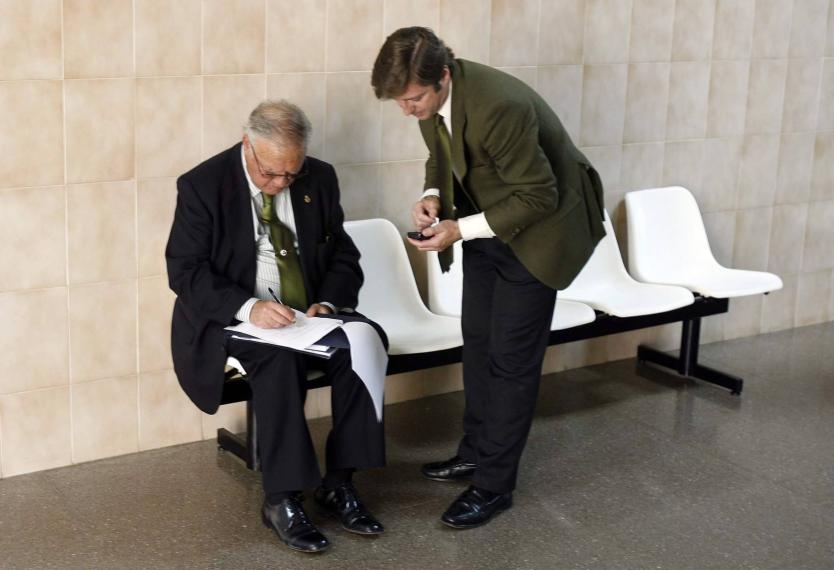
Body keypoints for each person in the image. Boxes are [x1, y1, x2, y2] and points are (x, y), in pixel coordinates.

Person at [371, 27, 606, 529]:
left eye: (412, 99)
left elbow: (538, 195)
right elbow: (441, 153)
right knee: (478, 342)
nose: (406, 110)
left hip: (541, 231)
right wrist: (434, 194)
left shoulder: (500, 105)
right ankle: (476, 451)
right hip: (487, 226)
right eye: (399, 101)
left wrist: (459, 228)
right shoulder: (433, 102)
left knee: (512, 361)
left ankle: (494, 485)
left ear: (444, 75)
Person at [165, 100, 385, 554]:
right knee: (278, 358)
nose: (282, 183)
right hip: (232, 319)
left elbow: (343, 254)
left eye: (291, 173)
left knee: (365, 343)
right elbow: (184, 272)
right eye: (272, 174)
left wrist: (327, 302)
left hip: (307, 314)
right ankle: (282, 498)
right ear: (248, 146)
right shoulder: (203, 185)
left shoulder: (318, 177)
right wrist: (249, 307)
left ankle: (339, 483)